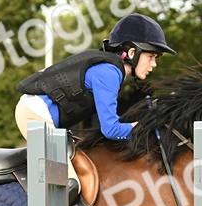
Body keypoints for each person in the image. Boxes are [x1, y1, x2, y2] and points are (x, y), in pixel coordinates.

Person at [14, 12, 175, 140]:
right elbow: (111, 130)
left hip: (37, 114)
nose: (154, 64)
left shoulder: (111, 70)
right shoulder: (109, 73)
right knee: (66, 179)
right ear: (133, 52)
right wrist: (149, 127)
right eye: (151, 57)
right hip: (34, 115)